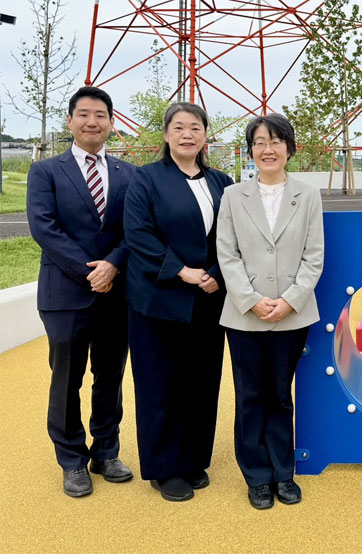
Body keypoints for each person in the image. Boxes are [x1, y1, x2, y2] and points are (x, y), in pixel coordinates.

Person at [27, 86, 135, 497]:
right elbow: (44, 228)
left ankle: (106, 451)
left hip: (116, 293)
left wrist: (113, 265)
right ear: (70, 121)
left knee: (109, 377)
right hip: (65, 295)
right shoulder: (46, 172)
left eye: (101, 115)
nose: (93, 122)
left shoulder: (130, 174)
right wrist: (91, 272)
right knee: (67, 378)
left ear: (111, 122)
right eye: (84, 114)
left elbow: (134, 230)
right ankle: (72, 459)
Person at [124, 102, 233, 502]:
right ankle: (164, 467)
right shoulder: (146, 179)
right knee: (160, 383)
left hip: (209, 298)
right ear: (166, 134)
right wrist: (182, 271)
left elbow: (235, 236)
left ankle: (192, 460)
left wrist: (217, 274)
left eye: (196, 127)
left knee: (202, 382)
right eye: (179, 127)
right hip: (159, 300)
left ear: (206, 135)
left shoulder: (222, 181)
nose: (188, 134)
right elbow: (138, 234)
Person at [216, 113, 324, 510]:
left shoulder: (308, 195)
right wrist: (251, 299)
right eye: (259, 142)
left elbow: (314, 257)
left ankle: (284, 473)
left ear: (290, 149)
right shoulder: (233, 196)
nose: (268, 149)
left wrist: (290, 300)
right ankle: (257, 476)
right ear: (250, 151)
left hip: (293, 314)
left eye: (276, 141)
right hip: (244, 314)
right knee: (249, 395)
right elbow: (226, 254)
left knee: (280, 394)